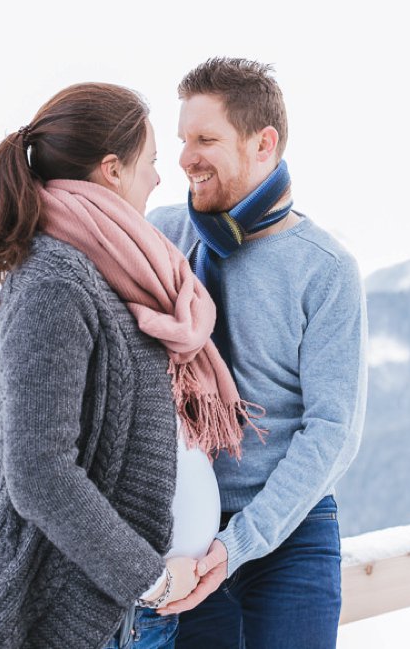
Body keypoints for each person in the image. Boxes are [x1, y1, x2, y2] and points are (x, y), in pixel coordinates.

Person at [0, 83, 259, 649]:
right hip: (78, 619)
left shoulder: (111, 266)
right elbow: (39, 473)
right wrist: (149, 579)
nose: (158, 178)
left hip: (132, 614)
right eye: (149, 161)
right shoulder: (53, 279)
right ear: (112, 170)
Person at [148, 58, 368, 648]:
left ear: (263, 143)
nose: (185, 158)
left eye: (205, 139)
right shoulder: (161, 236)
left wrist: (240, 542)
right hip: (183, 538)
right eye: (182, 140)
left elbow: (332, 431)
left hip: (288, 537)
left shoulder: (324, 269)